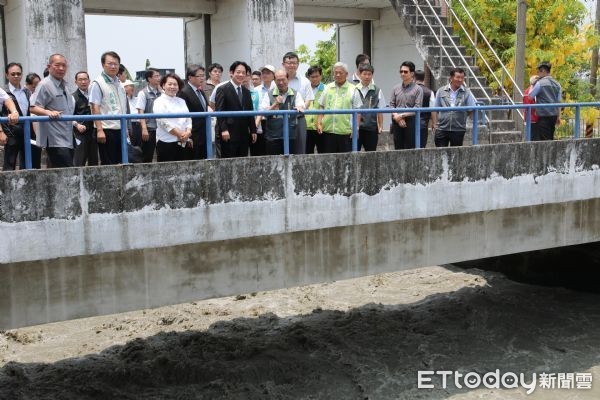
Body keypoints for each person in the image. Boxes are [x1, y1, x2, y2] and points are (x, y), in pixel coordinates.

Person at [30, 54, 75, 168]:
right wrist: (48, 112)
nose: (61, 68)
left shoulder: (64, 85)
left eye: (64, 66)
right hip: (54, 139)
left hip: (68, 136)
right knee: (67, 172)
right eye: (57, 65)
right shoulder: (44, 85)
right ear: (49, 66)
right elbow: (33, 107)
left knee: (66, 172)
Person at [90, 51, 128, 165]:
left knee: (121, 162)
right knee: (109, 163)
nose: (113, 66)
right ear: (103, 65)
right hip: (107, 129)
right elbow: (94, 107)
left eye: (116, 64)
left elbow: (123, 108)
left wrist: (125, 128)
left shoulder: (120, 84)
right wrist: (100, 130)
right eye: (110, 63)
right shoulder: (98, 83)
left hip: (120, 128)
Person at [3, 62, 42, 170]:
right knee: (9, 166)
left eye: (18, 74)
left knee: (31, 165)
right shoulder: (3, 93)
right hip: (11, 133)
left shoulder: (26, 91)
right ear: (7, 75)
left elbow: (32, 110)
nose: (16, 76)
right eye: (13, 74)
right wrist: (1, 132)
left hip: (27, 132)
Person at [215, 61, 257, 158]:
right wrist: (224, 129)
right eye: (238, 72)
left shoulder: (246, 92)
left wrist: (253, 130)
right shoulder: (222, 89)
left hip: (243, 134)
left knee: (242, 162)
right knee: (228, 162)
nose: (241, 75)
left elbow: (250, 112)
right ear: (231, 73)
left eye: (243, 73)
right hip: (228, 133)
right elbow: (219, 111)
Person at [316, 62, 356, 153]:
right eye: (335, 72)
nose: (337, 75)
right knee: (328, 160)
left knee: (345, 161)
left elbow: (358, 111)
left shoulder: (353, 89)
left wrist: (355, 128)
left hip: (345, 132)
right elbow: (321, 106)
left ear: (346, 74)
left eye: (340, 73)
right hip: (328, 131)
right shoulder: (327, 88)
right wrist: (319, 123)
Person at [153, 73, 193, 162]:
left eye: (175, 84)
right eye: (169, 84)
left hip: (183, 141)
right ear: (163, 85)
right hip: (166, 141)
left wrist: (188, 132)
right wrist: (180, 135)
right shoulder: (159, 102)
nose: (172, 87)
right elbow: (163, 122)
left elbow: (188, 118)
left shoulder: (181, 101)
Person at [264, 69, 305, 155]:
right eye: (278, 80)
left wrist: (299, 107)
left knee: (290, 162)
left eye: (283, 79)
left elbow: (301, 106)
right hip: (273, 136)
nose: (281, 82)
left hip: (291, 136)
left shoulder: (296, 94)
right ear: (274, 81)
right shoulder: (268, 94)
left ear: (288, 79)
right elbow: (263, 113)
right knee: (274, 163)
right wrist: (275, 104)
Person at [433, 67, 477, 147]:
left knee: (456, 155)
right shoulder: (441, 91)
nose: (460, 80)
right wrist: (435, 124)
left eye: (462, 78)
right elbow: (435, 109)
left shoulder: (466, 92)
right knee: (440, 154)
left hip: (458, 129)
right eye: (458, 77)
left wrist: (462, 116)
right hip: (442, 128)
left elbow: (472, 109)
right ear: (451, 78)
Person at [282, 51, 313, 154]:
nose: (291, 65)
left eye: (294, 63)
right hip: (281, 119)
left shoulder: (305, 81)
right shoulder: (277, 81)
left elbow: (308, 100)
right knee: (282, 149)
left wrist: (300, 107)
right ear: (283, 64)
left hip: (299, 118)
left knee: (300, 150)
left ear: (298, 64)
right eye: (289, 62)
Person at [177, 64, 210, 160]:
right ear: (190, 77)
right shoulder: (183, 92)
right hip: (192, 135)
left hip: (203, 134)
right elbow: (182, 117)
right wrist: (188, 136)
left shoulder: (200, 91)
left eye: (203, 75)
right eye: (199, 76)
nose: (202, 78)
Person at [351, 63, 385, 151]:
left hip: (371, 128)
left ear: (372, 75)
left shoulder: (377, 90)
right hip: (356, 128)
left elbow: (380, 109)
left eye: (369, 74)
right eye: (364, 74)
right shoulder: (354, 89)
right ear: (359, 74)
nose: (367, 77)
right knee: (354, 153)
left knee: (371, 155)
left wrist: (380, 125)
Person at [389, 61, 423, 150]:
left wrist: (401, 115)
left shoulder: (418, 89)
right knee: (398, 149)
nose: (403, 74)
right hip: (397, 122)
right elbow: (391, 105)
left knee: (410, 150)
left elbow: (417, 107)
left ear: (412, 73)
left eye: (405, 72)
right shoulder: (395, 88)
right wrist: (397, 116)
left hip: (411, 122)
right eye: (401, 71)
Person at [528, 61, 562, 141]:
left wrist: (532, 84)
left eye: (538, 72)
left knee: (544, 140)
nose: (537, 74)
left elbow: (530, 96)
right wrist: (558, 116)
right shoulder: (557, 84)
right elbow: (559, 102)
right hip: (553, 115)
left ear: (543, 70)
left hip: (543, 115)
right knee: (550, 137)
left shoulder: (539, 83)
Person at [135, 68, 162, 162]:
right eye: (156, 76)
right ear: (149, 79)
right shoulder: (143, 93)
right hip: (149, 129)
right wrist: (144, 129)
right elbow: (140, 111)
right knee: (147, 156)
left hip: (160, 129)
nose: (159, 78)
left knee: (161, 156)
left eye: (159, 75)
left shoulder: (162, 93)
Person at [72, 71, 98, 166]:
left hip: (94, 132)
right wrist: (77, 125)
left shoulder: (94, 94)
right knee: (79, 162)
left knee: (94, 161)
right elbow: (69, 116)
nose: (83, 82)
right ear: (76, 82)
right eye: (80, 80)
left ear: (89, 80)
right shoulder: (73, 97)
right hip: (80, 134)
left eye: (85, 79)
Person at [255, 64, 276, 155]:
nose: (264, 75)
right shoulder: (255, 90)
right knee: (260, 149)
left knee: (272, 150)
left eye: (267, 73)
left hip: (273, 122)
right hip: (259, 123)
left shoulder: (278, 88)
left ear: (273, 75)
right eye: (263, 73)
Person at [305, 65, 325, 154]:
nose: (315, 79)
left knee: (322, 152)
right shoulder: (305, 88)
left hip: (321, 126)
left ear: (321, 76)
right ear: (309, 77)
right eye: (312, 77)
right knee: (307, 153)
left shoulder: (326, 89)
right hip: (307, 126)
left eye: (317, 76)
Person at [414, 69, 436, 148]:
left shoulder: (411, 90)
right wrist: (434, 123)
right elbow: (433, 109)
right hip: (423, 124)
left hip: (409, 124)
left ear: (414, 78)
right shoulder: (429, 92)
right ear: (424, 78)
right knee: (421, 147)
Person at [523, 75, 540, 140]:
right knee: (532, 137)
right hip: (532, 119)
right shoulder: (528, 92)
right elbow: (528, 105)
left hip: (533, 118)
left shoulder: (528, 91)